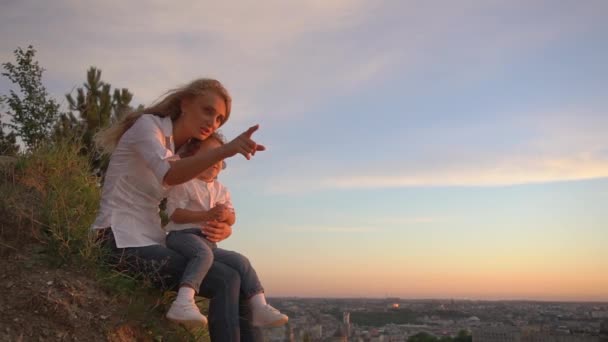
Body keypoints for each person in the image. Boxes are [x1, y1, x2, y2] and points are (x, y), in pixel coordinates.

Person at [91, 78, 266, 341]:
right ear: (184, 103)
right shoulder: (148, 128)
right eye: (208, 111)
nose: (213, 122)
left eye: (220, 119)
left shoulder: (185, 150)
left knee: (240, 275)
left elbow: (206, 201)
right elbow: (170, 174)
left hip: (153, 240)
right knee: (225, 279)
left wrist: (223, 227)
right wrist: (225, 150)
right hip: (118, 238)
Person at [164, 133, 288, 328]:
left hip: (208, 242)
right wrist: (206, 215)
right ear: (195, 158)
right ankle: (183, 300)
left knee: (240, 261)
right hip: (182, 235)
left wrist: (225, 218)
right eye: (212, 155)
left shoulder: (221, 189)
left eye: (220, 158)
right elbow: (175, 214)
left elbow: (232, 217)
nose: (216, 161)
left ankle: (259, 306)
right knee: (202, 254)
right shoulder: (185, 182)